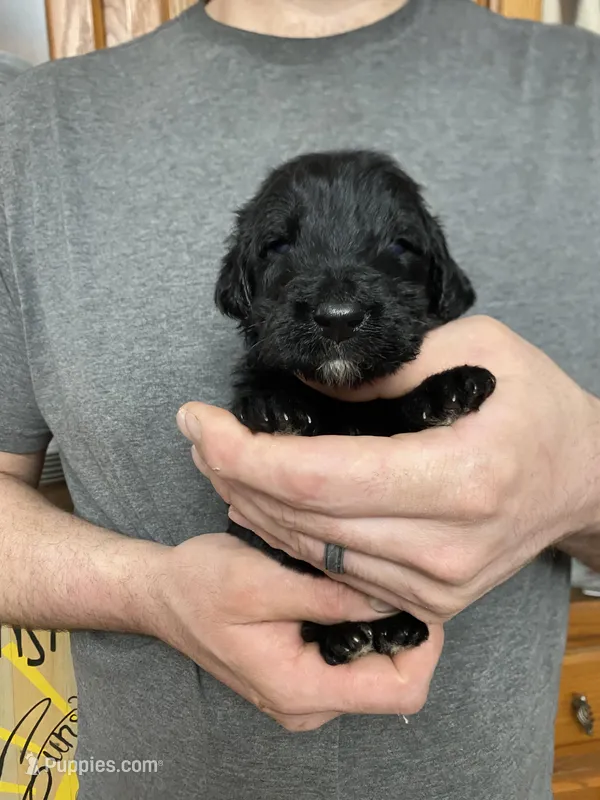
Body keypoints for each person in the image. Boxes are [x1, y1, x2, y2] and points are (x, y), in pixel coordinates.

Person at [1, 0, 599, 797]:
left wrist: (581, 480)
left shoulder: (579, 90)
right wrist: (151, 595)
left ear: (438, 280)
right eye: (282, 251)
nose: (341, 304)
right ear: (245, 284)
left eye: (395, 250)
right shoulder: (33, 126)